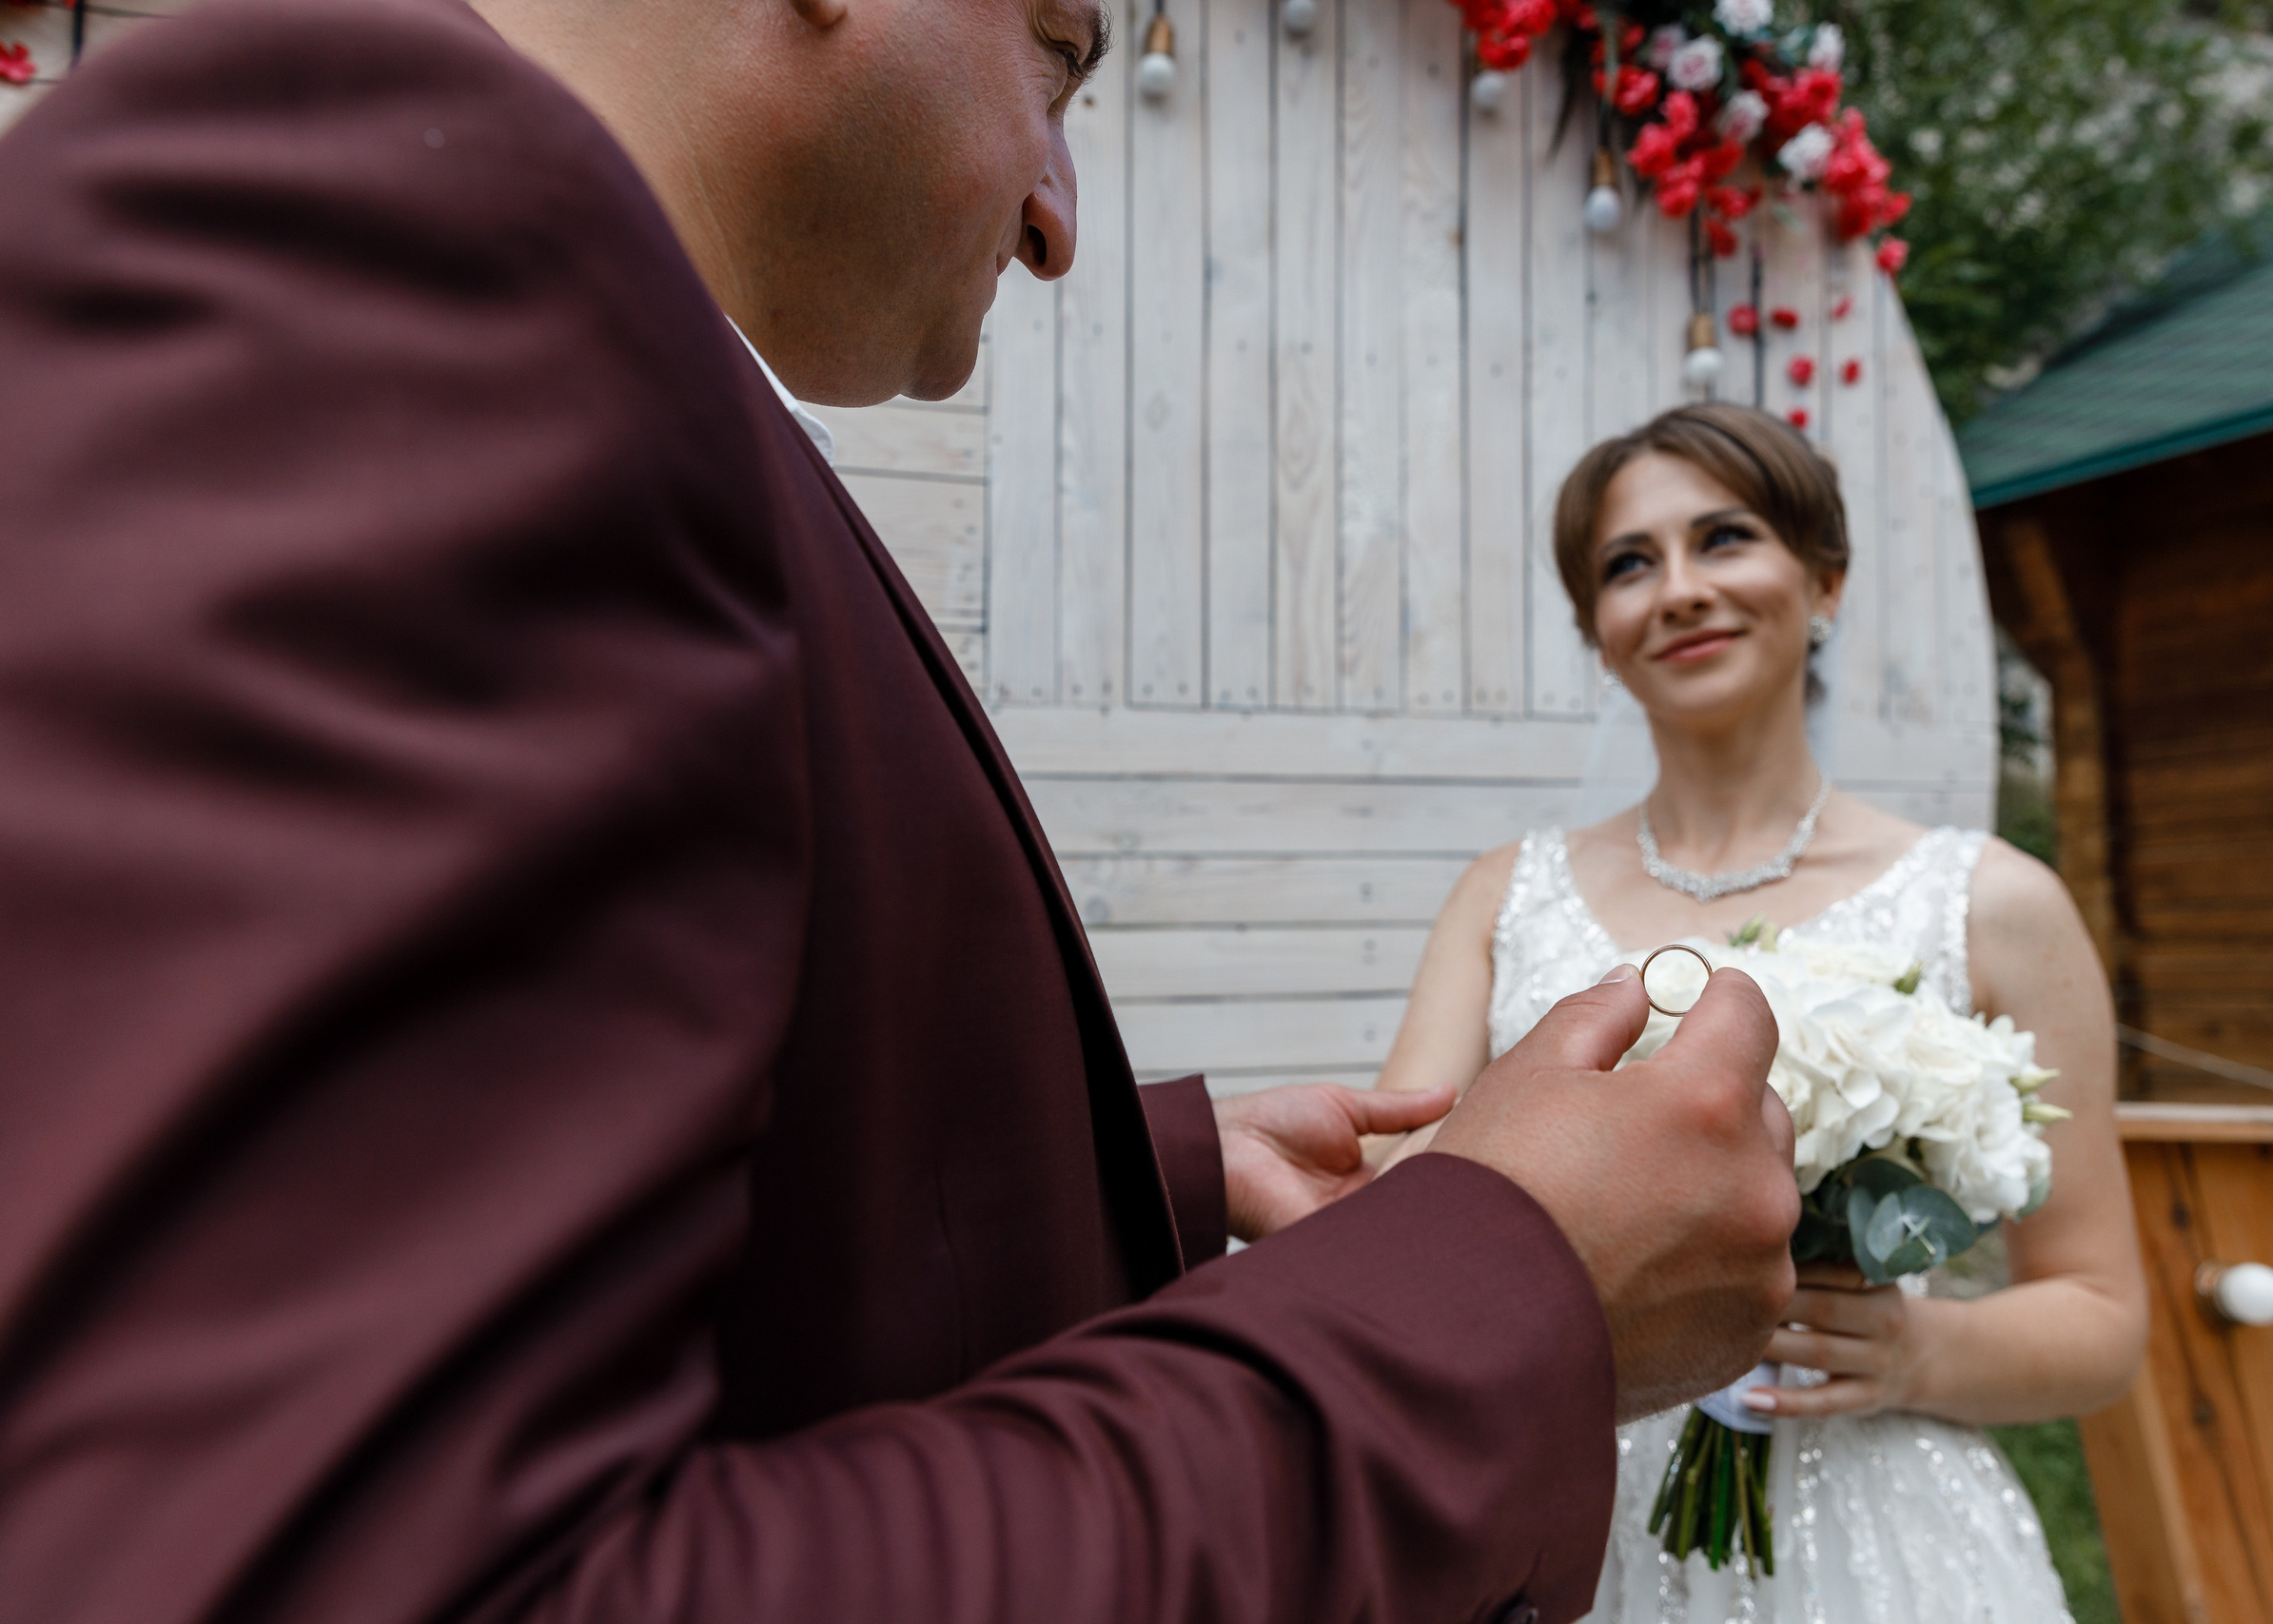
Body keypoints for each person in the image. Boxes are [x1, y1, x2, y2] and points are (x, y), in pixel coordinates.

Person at [0, 2, 1806, 1620]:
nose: (1058, 213)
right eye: (1060, 58)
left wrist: (1147, 1176)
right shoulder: (395, 241)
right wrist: (1503, 1288)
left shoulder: (589, 343)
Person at [1373, 405, 2147, 1621]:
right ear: (1598, 633)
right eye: (1630, 564)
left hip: (1879, 1533)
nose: (1677, 589)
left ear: (1822, 578)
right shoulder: (1499, 897)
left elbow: (2101, 1318)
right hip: (1573, 1514)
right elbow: (1395, 1211)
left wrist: (1913, 1352)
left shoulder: (1991, 903)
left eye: (1723, 539)